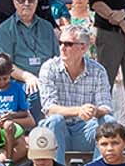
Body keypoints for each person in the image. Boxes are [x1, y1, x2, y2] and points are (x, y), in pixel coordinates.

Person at [37, 25, 115, 156]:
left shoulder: (98, 70)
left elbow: (106, 106)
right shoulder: (49, 67)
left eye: (68, 44)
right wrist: (79, 110)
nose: (62, 47)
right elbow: (49, 108)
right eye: (60, 43)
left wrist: (95, 111)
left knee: (109, 122)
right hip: (57, 131)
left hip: (86, 131)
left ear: (83, 47)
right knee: (55, 120)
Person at [0, 0, 60, 88]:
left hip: (48, 82)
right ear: (14, 2)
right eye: (21, 0)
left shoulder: (47, 27)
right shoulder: (5, 29)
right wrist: (27, 77)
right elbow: (5, 65)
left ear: (37, 1)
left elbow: (57, 58)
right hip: (19, 83)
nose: (27, 3)